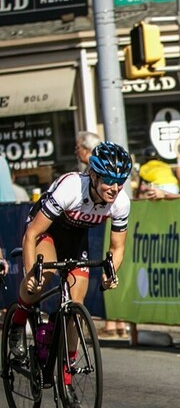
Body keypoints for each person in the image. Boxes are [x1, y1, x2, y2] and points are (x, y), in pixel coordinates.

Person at [10, 143, 130, 346]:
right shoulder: (71, 188)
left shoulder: (121, 202)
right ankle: (19, 321)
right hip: (46, 231)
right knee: (41, 279)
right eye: (109, 181)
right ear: (94, 176)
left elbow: (117, 248)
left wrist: (110, 273)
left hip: (75, 236)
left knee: (76, 306)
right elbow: (32, 234)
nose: (115, 188)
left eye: (121, 182)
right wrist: (31, 273)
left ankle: (67, 371)